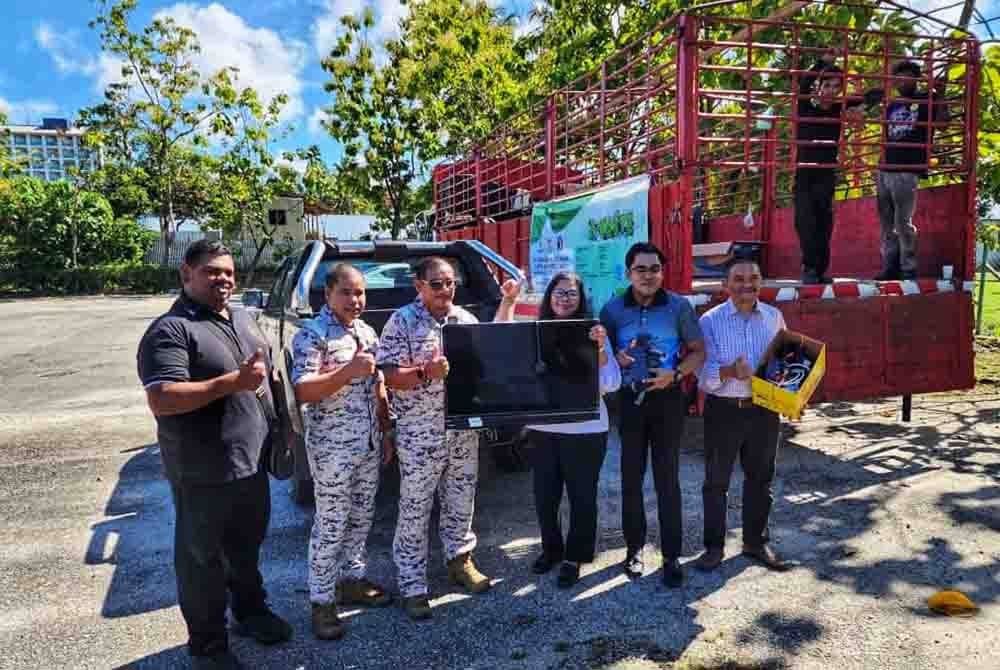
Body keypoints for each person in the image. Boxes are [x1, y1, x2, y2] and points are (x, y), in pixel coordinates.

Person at [136, 240, 292, 670]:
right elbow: (162, 398)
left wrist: (282, 428)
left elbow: (264, 379)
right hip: (203, 470)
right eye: (211, 271)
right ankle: (207, 645)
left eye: (227, 271)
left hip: (251, 462)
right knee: (201, 560)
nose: (222, 278)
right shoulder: (171, 330)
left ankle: (250, 612)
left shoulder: (241, 317)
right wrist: (230, 383)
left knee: (246, 548)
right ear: (186, 274)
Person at [376, 257, 521, 620]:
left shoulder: (464, 320)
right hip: (420, 433)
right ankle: (412, 584)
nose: (445, 290)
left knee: (461, 501)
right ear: (419, 285)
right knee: (414, 509)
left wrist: (507, 303)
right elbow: (389, 377)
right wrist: (425, 371)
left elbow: (491, 353)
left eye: (450, 283)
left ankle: (459, 561)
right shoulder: (402, 321)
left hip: (461, 430)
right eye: (437, 284)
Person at [291, 263, 394, 641]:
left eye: (360, 293)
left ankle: (352, 579)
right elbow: (303, 390)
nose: (355, 300)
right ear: (328, 294)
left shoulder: (367, 332)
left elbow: (378, 386)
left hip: (366, 445)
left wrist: (386, 432)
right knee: (330, 525)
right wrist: (346, 372)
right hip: (332, 451)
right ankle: (321, 602)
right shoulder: (312, 335)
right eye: (347, 292)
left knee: (362, 516)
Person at [599, 242, 705, 587]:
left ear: (662, 271)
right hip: (629, 403)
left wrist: (675, 375)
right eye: (641, 269)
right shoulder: (612, 310)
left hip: (668, 402)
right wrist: (617, 356)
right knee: (631, 478)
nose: (648, 275)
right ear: (628, 273)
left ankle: (672, 554)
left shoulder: (678, 307)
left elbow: (698, 352)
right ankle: (634, 549)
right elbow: (601, 356)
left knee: (667, 480)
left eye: (654, 268)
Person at [694, 258, 792, 574]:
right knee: (716, 482)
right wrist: (730, 372)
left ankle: (755, 542)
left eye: (754, 278)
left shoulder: (774, 317)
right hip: (724, 410)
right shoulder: (710, 321)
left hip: (764, 410)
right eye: (738, 278)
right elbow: (704, 377)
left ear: (762, 282)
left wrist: (791, 395)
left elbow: (786, 365)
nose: (746, 285)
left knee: (761, 478)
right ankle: (713, 547)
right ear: (726, 285)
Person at [526, 272, 621, 589]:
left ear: (581, 299)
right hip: (543, 429)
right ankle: (551, 550)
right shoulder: (535, 334)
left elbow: (611, 383)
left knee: (582, 496)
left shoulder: (593, 332)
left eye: (571, 293)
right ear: (548, 297)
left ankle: (574, 557)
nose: (564, 298)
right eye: (558, 292)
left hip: (586, 429)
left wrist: (601, 348)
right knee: (545, 497)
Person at [794, 49, 877, 285]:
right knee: (804, 222)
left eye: (835, 87)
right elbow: (804, 84)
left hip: (826, 175)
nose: (831, 91)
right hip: (804, 173)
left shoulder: (838, 110)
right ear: (819, 88)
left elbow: (873, 95)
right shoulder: (805, 108)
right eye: (827, 86)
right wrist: (822, 62)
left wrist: (860, 107)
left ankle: (819, 270)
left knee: (824, 223)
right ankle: (810, 268)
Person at [874, 60, 946, 280]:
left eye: (907, 76)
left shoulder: (926, 99)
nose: (902, 80)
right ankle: (889, 266)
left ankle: (908, 268)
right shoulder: (892, 105)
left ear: (916, 79)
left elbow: (943, 123)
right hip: (885, 168)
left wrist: (940, 95)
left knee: (902, 222)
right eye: (898, 77)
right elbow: (886, 136)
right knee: (886, 223)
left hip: (907, 169)